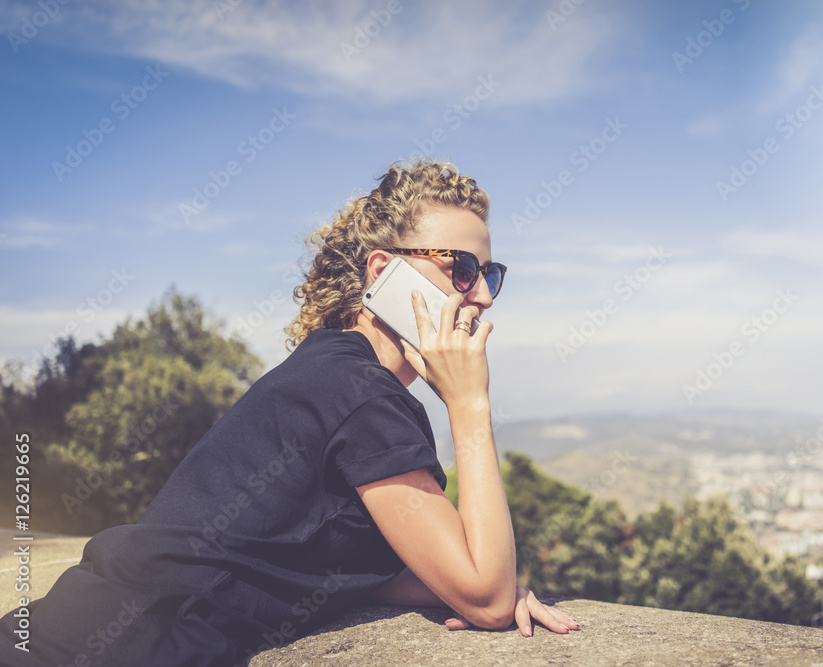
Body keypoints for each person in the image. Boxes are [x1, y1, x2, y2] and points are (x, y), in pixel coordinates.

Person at [0, 160, 578, 667]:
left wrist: (456, 579)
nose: (480, 296)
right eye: (461, 269)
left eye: (489, 274)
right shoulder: (362, 395)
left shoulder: (327, 368)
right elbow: (489, 600)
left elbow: (308, 565)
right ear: (383, 273)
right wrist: (469, 402)